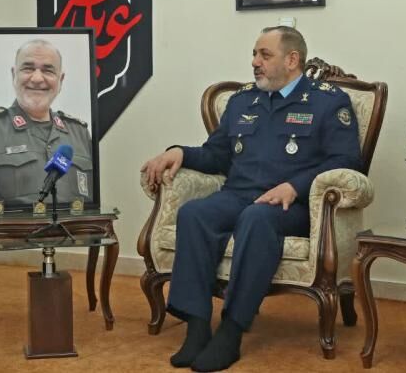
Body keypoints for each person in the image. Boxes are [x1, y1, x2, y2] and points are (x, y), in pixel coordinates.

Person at [140, 26, 362, 371]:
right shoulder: (242, 101)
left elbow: (346, 161)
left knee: (256, 219)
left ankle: (231, 331)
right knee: (194, 214)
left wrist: (295, 186)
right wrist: (180, 152)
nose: (255, 62)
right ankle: (197, 328)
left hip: (292, 205)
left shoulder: (328, 101)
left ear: (292, 59)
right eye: (254, 54)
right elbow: (217, 155)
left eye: (264, 55)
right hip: (239, 194)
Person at [0, 39, 93, 208]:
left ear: (61, 80)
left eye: (48, 70)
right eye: (28, 68)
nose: (36, 78)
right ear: (14, 75)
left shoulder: (80, 133)